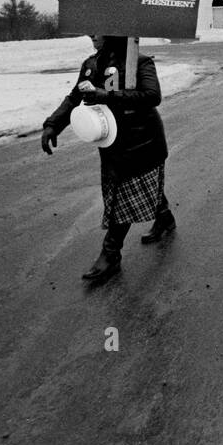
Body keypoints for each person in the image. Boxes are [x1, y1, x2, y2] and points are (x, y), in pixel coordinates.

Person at [41, 34, 176, 280]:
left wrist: (108, 96)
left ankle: (110, 253)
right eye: (90, 30)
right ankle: (165, 217)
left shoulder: (140, 62)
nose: (92, 35)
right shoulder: (90, 65)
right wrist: (53, 125)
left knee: (125, 197)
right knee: (139, 189)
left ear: (113, 31)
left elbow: (152, 96)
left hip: (143, 141)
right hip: (111, 142)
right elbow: (74, 97)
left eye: (98, 29)